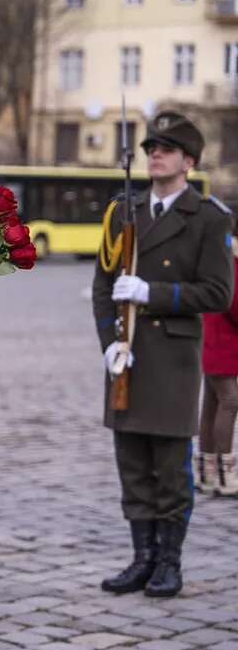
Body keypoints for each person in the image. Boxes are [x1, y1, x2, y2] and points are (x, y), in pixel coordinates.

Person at [93, 111, 232, 599]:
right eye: (151, 147)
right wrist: (109, 343)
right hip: (128, 355)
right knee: (132, 465)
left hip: (172, 360)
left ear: (188, 161)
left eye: (166, 149)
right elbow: (103, 286)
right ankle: (141, 558)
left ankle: (169, 561)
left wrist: (154, 292)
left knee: (170, 470)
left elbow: (217, 292)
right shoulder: (124, 212)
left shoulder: (210, 219)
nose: (155, 154)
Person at [197, 215, 238, 496]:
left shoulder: (221, 254)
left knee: (212, 403)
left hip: (213, 339)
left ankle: (205, 470)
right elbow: (234, 304)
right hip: (224, 342)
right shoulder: (233, 261)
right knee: (229, 400)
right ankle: (225, 472)